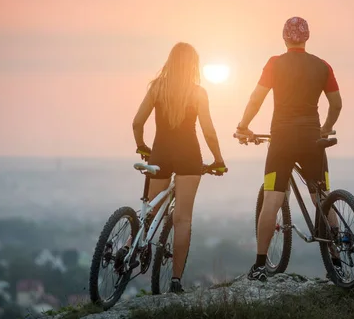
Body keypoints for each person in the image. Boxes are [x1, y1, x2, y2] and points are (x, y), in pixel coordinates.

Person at [235, 16, 343, 281]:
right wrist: (326, 127)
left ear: (284, 38)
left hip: (282, 140)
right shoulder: (322, 66)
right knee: (322, 195)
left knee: (272, 197)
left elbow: (256, 99)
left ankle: (260, 265)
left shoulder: (275, 64)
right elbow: (336, 104)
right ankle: (338, 262)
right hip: (312, 140)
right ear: (306, 38)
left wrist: (243, 125)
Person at [131, 42, 227, 293]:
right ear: (193, 65)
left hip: (160, 153)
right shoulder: (197, 92)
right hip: (188, 156)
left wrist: (142, 146)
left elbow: (137, 122)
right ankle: (175, 282)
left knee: (148, 213)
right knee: (182, 219)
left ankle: (129, 249)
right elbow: (209, 131)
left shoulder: (157, 87)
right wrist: (219, 160)